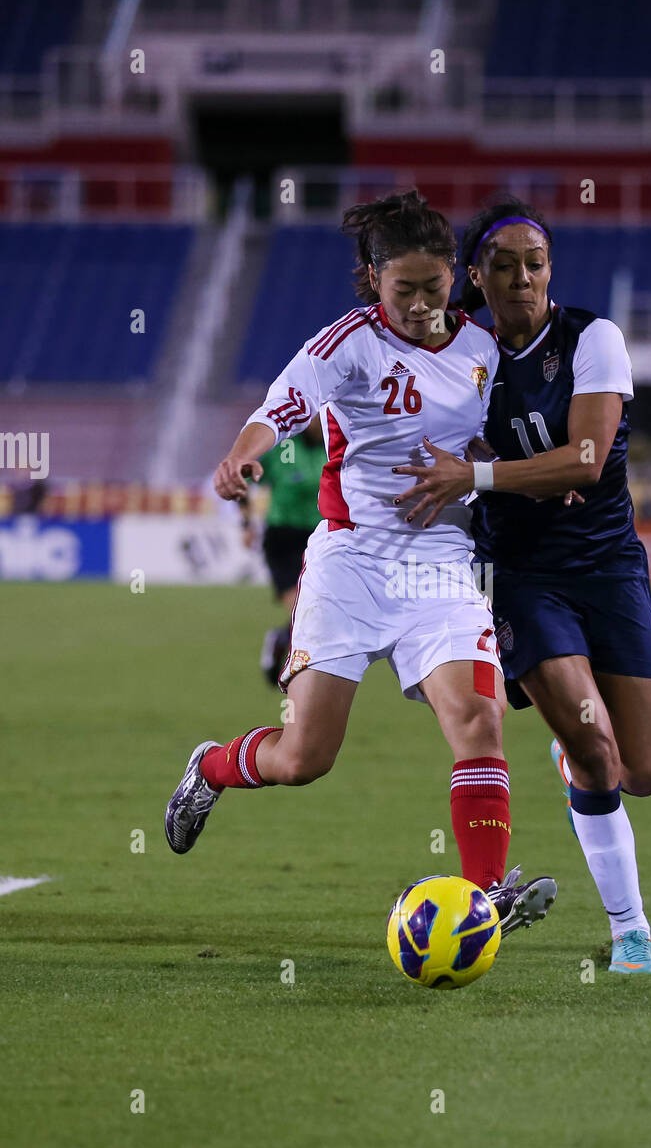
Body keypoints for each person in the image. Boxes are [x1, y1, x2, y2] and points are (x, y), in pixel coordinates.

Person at [164, 191, 556, 936]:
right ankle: (212, 767)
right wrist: (243, 457)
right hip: (351, 564)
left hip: (442, 561)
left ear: (455, 278)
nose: (416, 304)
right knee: (306, 756)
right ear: (371, 279)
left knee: (478, 720)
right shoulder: (346, 344)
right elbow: (282, 406)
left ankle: (481, 897)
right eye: (400, 288)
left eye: (431, 288)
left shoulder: (482, 349)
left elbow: (501, 441)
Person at [393, 197, 651, 972]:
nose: (523, 278)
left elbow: (583, 459)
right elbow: (442, 439)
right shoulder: (463, 354)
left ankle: (576, 763)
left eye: (536, 263)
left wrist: (485, 472)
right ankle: (629, 932)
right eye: (504, 265)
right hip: (520, 575)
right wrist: (517, 479)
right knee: (593, 745)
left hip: (610, 566)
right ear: (475, 275)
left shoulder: (592, 339)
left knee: (641, 771)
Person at [237, 413, 324, 686]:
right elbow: (243, 478)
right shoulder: (282, 448)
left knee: (317, 612)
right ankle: (297, 670)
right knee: (302, 609)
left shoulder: (337, 445)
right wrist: (247, 524)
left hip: (321, 540)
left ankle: (283, 642)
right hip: (283, 539)